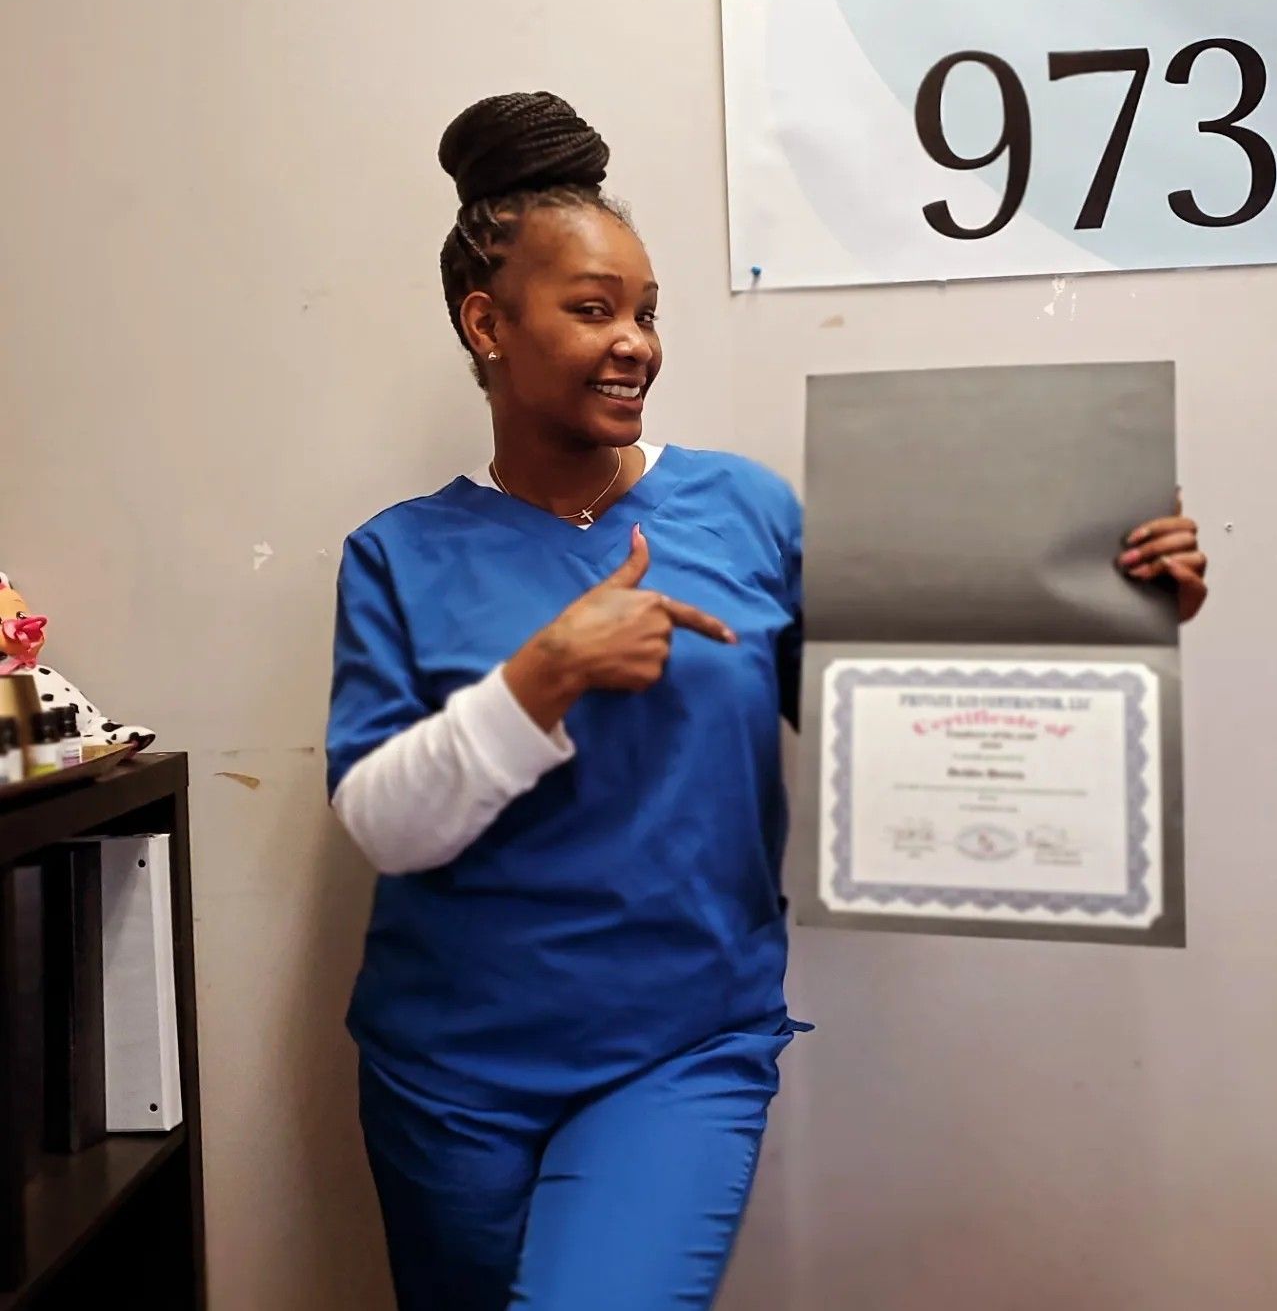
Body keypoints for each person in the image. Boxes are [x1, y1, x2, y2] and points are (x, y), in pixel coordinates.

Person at [325, 91, 1210, 1310]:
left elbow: (895, 712)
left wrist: (1110, 605)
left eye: (646, 312)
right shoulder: (398, 553)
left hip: (679, 1050)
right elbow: (379, 822)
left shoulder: (744, 512)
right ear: (487, 322)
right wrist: (546, 673)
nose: (636, 340)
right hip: (448, 1074)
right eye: (593, 309)